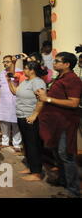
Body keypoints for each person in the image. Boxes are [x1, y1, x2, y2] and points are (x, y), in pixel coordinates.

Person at [36, 52, 82, 198]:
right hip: (55, 122)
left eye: (57, 61)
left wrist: (47, 99)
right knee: (57, 152)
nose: (54, 63)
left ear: (67, 64)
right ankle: (63, 180)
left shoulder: (73, 80)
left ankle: (73, 190)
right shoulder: (60, 78)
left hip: (65, 122)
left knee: (66, 154)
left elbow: (74, 102)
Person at [6, 61, 46, 181]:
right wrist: (9, 81)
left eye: (26, 68)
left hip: (30, 116)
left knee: (33, 144)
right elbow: (15, 91)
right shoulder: (26, 81)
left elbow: (41, 99)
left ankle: (37, 173)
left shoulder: (37, 82)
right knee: (27, 144)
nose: (24, 70)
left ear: (32, 70)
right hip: (21, 116)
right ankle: (31, 167)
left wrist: (34, 114)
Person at [0, 55, 22, 151]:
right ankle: (5, 141)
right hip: (4, 102)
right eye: (4, 62)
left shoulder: (19, 72)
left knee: (16, 123)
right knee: (4, 122)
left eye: (8, 61)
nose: (5, 63)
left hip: (16, 101)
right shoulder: (1, 73)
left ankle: (16, 144)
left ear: (13, 62)